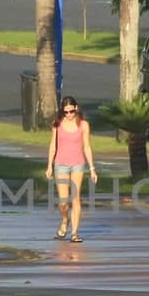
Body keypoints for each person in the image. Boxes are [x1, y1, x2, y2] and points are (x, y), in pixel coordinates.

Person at [45, 95, 97, 242]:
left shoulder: (84, 125)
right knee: (63, 201)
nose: (68, 115)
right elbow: (52, 146)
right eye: (65, 112)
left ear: (76, 109)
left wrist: (92, 168)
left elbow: (87, 147)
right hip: (60, 164)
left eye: (71, 111)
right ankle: (64, 220)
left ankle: (74, 233)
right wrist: (49, 165)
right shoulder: (57, 124)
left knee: (75, 198)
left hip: (77, 164)